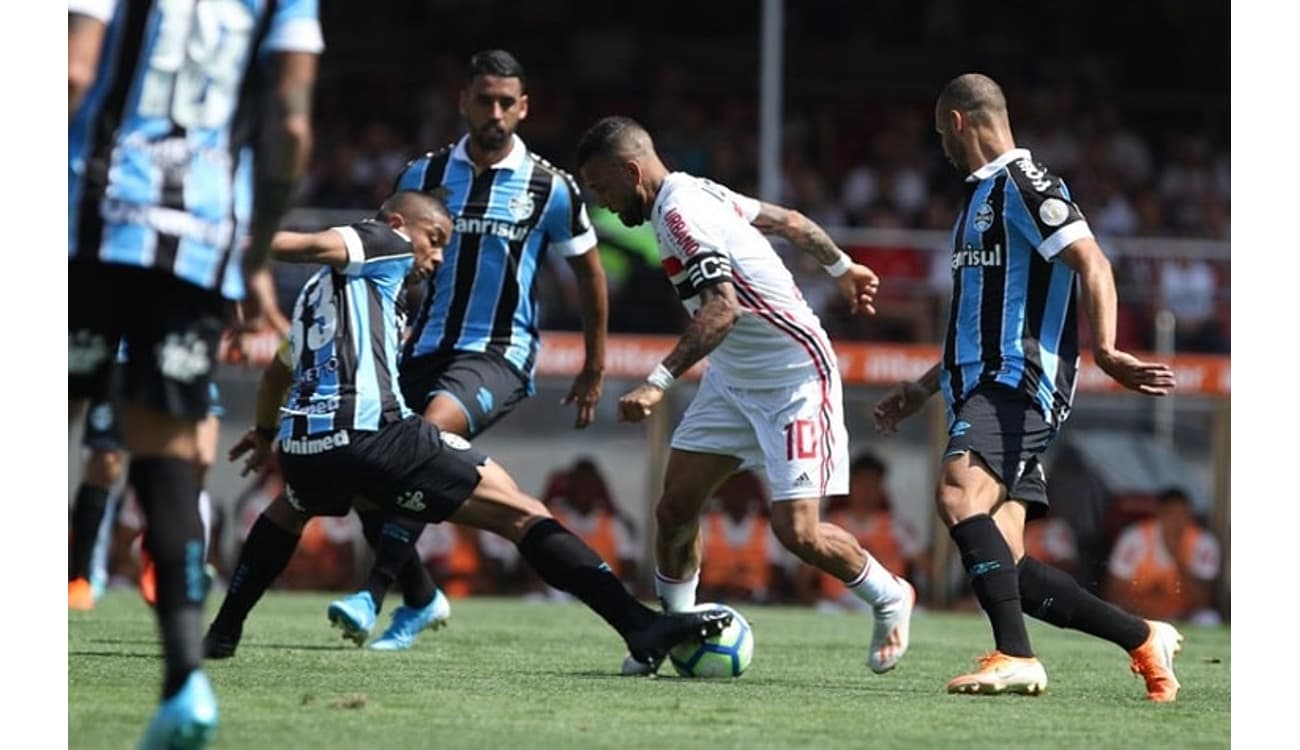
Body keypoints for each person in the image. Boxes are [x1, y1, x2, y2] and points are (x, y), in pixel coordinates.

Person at [228, 190, 730, 670]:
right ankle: (639, 626)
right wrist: (230, 246)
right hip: (372, 434)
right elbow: (308, 244)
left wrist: (266, 432)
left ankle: (225, 629)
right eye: (438, 238)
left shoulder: (322, 296)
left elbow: (278, 370)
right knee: (521, 512)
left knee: (293, 506)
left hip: (303, 447)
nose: (440, 257)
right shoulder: (385, 242)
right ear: (401, 225)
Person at [871, 73, 1183, 700]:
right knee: (1008, 564)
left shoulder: (1024, 182)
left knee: (958, 495)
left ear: (959, 123)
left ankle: (1016, 655)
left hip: (1016, 383)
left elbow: (1092, 259)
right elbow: (978, 322)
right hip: (980, 384)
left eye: (941, 135)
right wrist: (925, 388)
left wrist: (1107, 348)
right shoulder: (979, 199)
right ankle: (1143, 637)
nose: (943, 149)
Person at [575, 116, 916, 677]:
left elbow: (723, 308)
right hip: (733, 380)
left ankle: (889, 594)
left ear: (631, 171)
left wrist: (657, 382)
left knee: (797, 532)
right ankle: (672, 631)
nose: (604, 202)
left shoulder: (683, 213)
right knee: (675, 509)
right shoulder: (694, 192)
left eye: (602, 188)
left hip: (793, 379)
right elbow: (790, 221)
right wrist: (842, 266)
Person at [68, 1, 320, 747]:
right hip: (202, 244)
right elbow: (292, 123)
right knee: (168, 453)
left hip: (88, 222)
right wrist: (256, 254)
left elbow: (74, 71)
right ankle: (184, 683)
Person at [806, 452, 928, 612]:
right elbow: (804, 575)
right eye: (861, 484)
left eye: (873, 485)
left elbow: (927, 568)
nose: (866, 491)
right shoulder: (829, 525)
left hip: (886, 602)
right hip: (837, 605)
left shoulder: (898, 526)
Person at [1105, 487, 1221, 624]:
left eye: (1182, 514)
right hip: (1139, 615)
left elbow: (1203, 601)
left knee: (1209, 618)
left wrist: (1177, 557)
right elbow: (1114, 592)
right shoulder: (1135, 537)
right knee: (1111, 611)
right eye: (1171, 514)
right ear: (1159, 514)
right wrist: (1151, 615)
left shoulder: (1203, 542)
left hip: (1182, 616)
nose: (1176, 522)